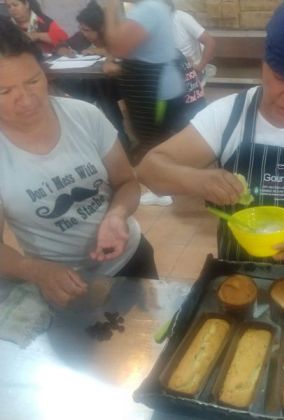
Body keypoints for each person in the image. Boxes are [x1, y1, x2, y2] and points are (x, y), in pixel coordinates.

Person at [137, 0, 284, 270]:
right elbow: (148, 170)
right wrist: (197, 180)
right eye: (281, 79)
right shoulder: (228, 115)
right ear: (263, 63)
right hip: (239, 277)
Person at [0, 17, 157, 307]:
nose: (26, 100)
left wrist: (116, 216)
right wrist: (33, 270)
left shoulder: (84, 115)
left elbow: (126, 182)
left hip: (131, 260)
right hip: (60, 282)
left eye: (33, 80)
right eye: (4, 92)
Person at [104, 0, 204, 206]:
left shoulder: (149, 8)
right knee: (157, 137)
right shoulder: (149, 7)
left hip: (155, 89)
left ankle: (162, 191)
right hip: (156, 85)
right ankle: (165, 186)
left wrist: (110, 8)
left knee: (154, 140)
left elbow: (118, 46)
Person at [55, 1, 130, 151]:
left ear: (101, 28)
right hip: (98, 82)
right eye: (81, 29)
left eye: (87, 30)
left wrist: (99, 51)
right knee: (65, 81)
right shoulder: (82, 37)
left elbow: (121, 51)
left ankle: (119, 136)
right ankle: (107, 130)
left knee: (100, 89)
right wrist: (66, 51)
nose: (83, 32)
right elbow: (61, 46)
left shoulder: (114, 35)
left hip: (120, 82)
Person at [165, 0, 216, 86]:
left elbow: (210, 42)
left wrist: (200, 67)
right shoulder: (152, 24)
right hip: (169, 73)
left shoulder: (182, 18)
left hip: (191, 73)